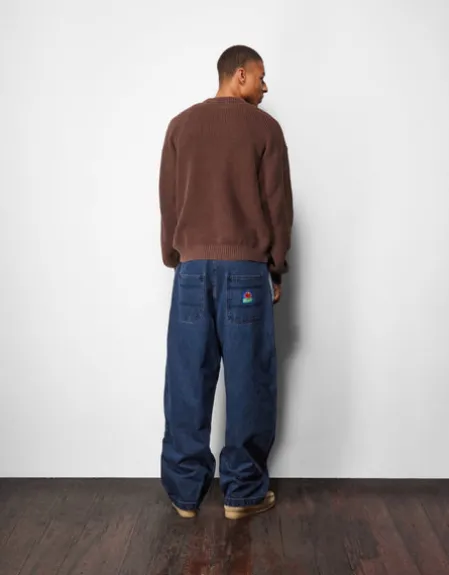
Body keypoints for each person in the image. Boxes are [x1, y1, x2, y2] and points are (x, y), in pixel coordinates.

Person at [158, 45, 293, 520]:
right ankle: (243, 493)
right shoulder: (265, 129)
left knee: (187, 378)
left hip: (192, 270)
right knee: (249, 380)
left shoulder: (180, 126)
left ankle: (185, 494)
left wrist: (175, 257)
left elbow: (169, 201)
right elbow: (277, 205)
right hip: (246, 272)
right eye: (260, 76)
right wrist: (276, 266)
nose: (265, 86)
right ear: (238, 75)